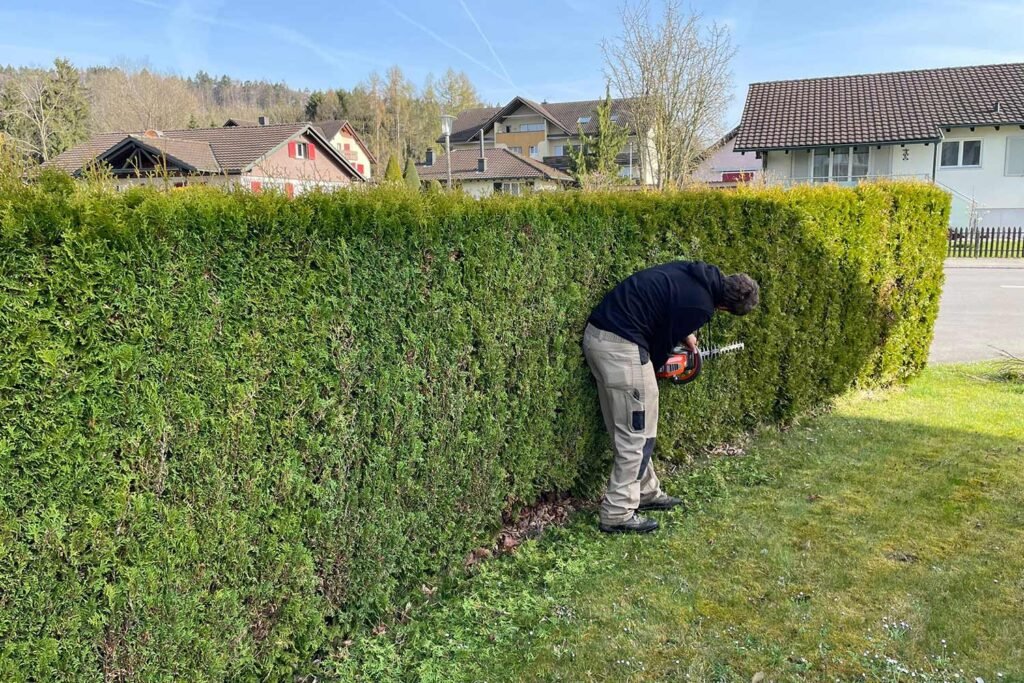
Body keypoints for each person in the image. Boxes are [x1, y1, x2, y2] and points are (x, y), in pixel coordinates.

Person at [583, 261, 760, 534]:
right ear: (725, 308)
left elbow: (666, 302)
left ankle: (646, 491)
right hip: (622, 347)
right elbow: (661, 343)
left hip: (602, 336)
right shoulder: (701, 307)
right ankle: (617, 512)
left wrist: (685, 334)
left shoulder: (697, 273)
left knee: (636, 425)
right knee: (636, 434)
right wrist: (659, 367)